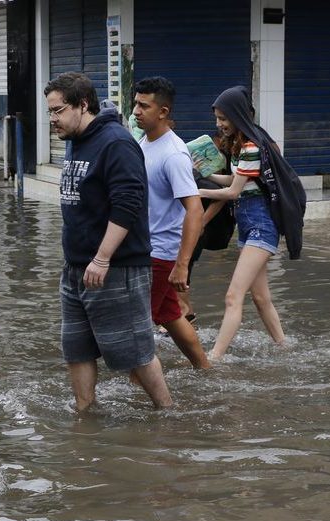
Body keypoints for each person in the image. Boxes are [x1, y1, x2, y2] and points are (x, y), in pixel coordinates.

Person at [44, 72, 172, 410]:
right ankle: (85, 415)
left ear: (83, 104)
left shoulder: (116, 143)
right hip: (76, 268)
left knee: (135, 352)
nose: (52, 119)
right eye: (50, 112)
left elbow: (128, 205)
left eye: (58, 111)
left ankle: (168, 413)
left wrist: (102, 257)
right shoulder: (74, 139)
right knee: (77, 348)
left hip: (116, 268)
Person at [198, 86, 286, 361]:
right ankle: (284, 347)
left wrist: (198, 192)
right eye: (217, 118)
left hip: (261, 227)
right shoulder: (242, 147)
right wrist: (206, 173)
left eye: (223, 118)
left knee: (232, 296)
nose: (219, 124)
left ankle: (214, 357)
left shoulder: (250, 147)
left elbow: (233, 193)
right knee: (260, 298)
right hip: (249, 228)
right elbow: (236, 181)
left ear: (238, 116)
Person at [132, 76, 210, 370]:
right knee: (171, 316)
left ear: (163, 112)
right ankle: (204, 369)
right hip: (147, 248)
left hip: (159, 254)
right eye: (135, 104)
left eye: (144, 106)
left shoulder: (173, 153)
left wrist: (182, 264)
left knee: (135, 327)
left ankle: (142, 388)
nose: (136, 111)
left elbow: (194, 209)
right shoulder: (144, 142)